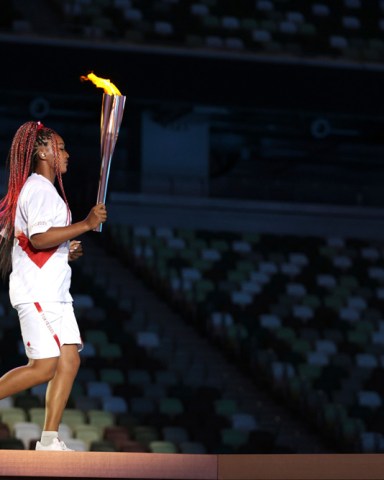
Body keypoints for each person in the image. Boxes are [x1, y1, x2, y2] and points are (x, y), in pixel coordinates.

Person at [0, 120, 107, 451]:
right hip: (38, 293)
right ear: (43, 151)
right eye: (60, 148)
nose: (67, 154)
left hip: (55, 293)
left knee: (69, 360)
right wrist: (86, 225)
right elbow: (39, 237)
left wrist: (68, 249)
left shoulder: (42, 191)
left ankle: (48, 440)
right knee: (44, 367)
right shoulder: (39, 189)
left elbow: (43, 242)